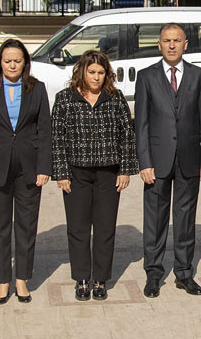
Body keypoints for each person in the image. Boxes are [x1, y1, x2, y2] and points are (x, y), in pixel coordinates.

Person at [51, 49, 137, 301]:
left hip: (108, 173)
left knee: (104, 228)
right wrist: (61, 173)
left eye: (101, 72)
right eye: (92, 72)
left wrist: (125, 170)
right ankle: (81, 278)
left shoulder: (115, 97)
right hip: (76, 174)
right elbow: (57, 137)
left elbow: (127, 135)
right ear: (82, 72)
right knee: (77, 228)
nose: (96, 77)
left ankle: (100, 279)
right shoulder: (65, 99)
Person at [135, 23, 201, 298]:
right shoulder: (146, 77)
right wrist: (144, 162)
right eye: (166, 40)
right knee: (154, 221)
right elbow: (141, 124)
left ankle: (184, 273)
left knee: (185, 220)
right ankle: (153, 273)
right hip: (156, 161)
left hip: (190, 160)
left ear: (185, 44)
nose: (171, 45)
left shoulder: (199, 75)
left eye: (176, 40)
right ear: (159, 44)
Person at [0, 39, 52, 304]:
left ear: (25, 63)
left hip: (29, 169)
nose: (12, 65)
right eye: (7, 61)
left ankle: (22, 279)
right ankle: (3, 281)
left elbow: (45, 130)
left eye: (17, 60)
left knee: (27, 227)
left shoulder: (36, 89)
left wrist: (44, 167)